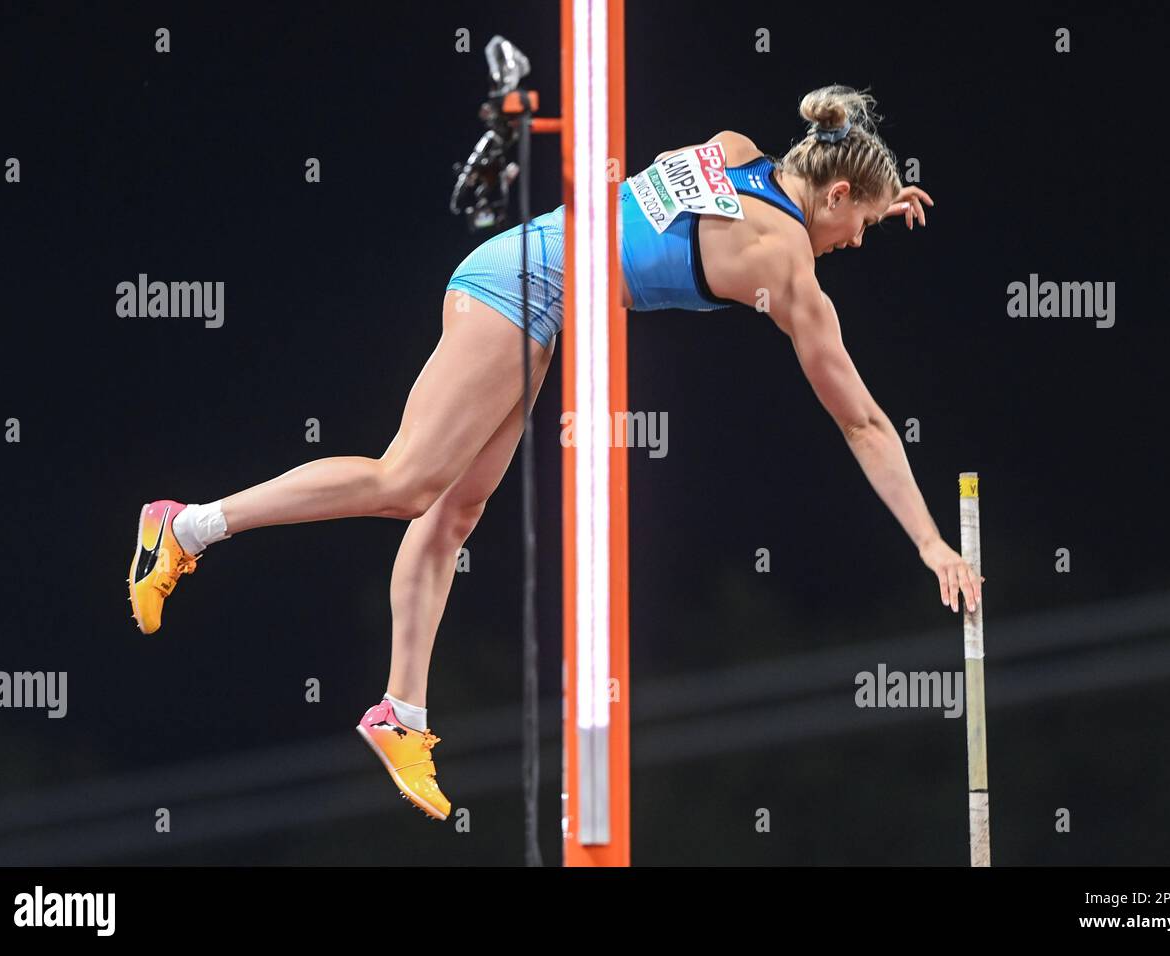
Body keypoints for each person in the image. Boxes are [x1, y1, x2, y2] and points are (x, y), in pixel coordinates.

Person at [127, 84, 982, 822]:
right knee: (407, 478)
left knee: (455, 509)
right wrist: (929, 542)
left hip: (540, 296)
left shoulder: (741, 148)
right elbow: (865, 423)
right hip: (514, 284)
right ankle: (188, 526)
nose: (860, 241)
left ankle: (400, 712)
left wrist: (881, 192)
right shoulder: (786, 265)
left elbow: (747, 189)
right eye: (863, 223)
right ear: (834, 194)